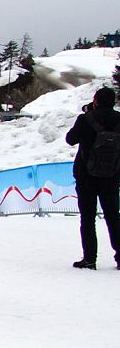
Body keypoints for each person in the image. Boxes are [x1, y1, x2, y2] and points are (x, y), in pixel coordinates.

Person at [65, 86, 120, 270]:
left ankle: (89, 259)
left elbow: (70, 139)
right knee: (113, 217)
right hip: (112, 176)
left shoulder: (86, 119)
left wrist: (88, 116)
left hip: (86, 177)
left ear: (95, 101)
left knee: (88, 218)